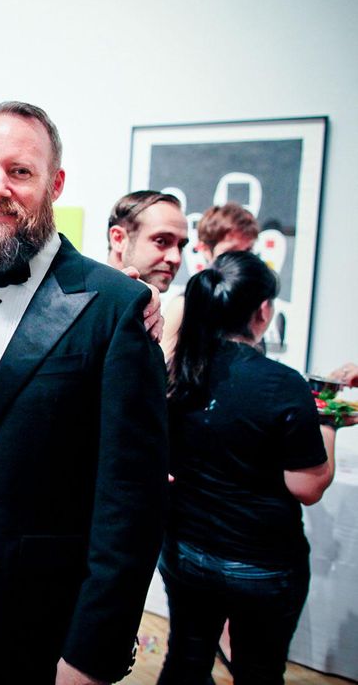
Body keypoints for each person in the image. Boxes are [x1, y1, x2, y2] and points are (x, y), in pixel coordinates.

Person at [0, 101, 169, 685]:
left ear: (56, 184)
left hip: (41, 637)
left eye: (20, 172)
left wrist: (92, 654)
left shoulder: (115, 308)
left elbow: (131, 505)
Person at [157, 251, 337, 685]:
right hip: (260, 563)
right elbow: (307, 486)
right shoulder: (281, 383)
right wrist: (329, 419)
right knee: (258, 671)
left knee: (184, 660)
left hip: (185, 552)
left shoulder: (177, 370)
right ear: (263, 311)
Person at [161, 203, 259, 360]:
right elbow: (161, 368)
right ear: (204, 249)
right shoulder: (184, 305)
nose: (240, 261)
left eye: (248, 251)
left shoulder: (255, 305)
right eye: (231, 252)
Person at [107, 190, 189, 293]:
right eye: (161, 241)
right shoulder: (87, 304)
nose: (176, 258)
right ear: (118, 239)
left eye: (181, 245)